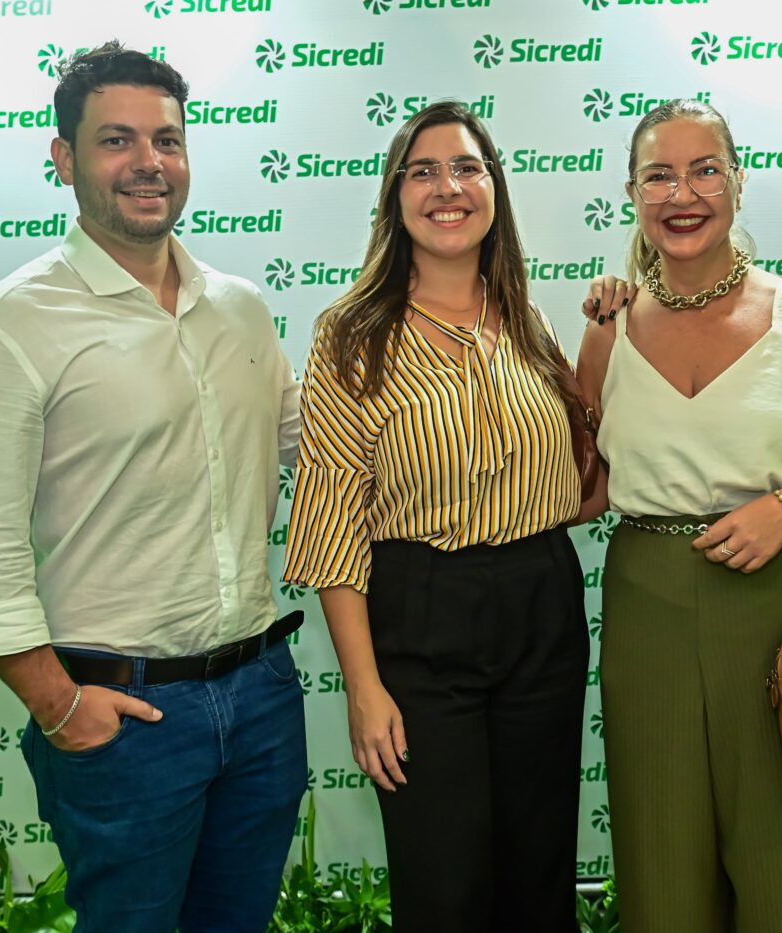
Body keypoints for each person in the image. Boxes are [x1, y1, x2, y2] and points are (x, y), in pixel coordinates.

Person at [0, 42, 307, 933]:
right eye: (116, 141)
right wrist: (60, 706)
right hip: (122, 718)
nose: (147, 164)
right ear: (64, 160)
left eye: (166, 140)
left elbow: (306, 442)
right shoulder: (4, 328)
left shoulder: (238, 305)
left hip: (262, 697)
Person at [576, 99, 782, 932]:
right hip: (647, 604)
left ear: (738, 184)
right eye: (659, 174)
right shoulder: (607, 331)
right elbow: (583, 485)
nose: (683, 192)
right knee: (661, 864)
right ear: (632, 193)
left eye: (704, 169)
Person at [282, 101, 602, 933]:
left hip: (542, 600)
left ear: (494, 188)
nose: (447, 188)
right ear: (394, 198)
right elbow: (330, 518)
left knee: (539, 874)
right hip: (421, 613)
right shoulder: (351, 334)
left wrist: (611, 333)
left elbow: (584, 480)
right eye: (422, 171)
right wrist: (364, 686)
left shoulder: (526, 324)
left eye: (466, 167)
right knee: (444, 884)